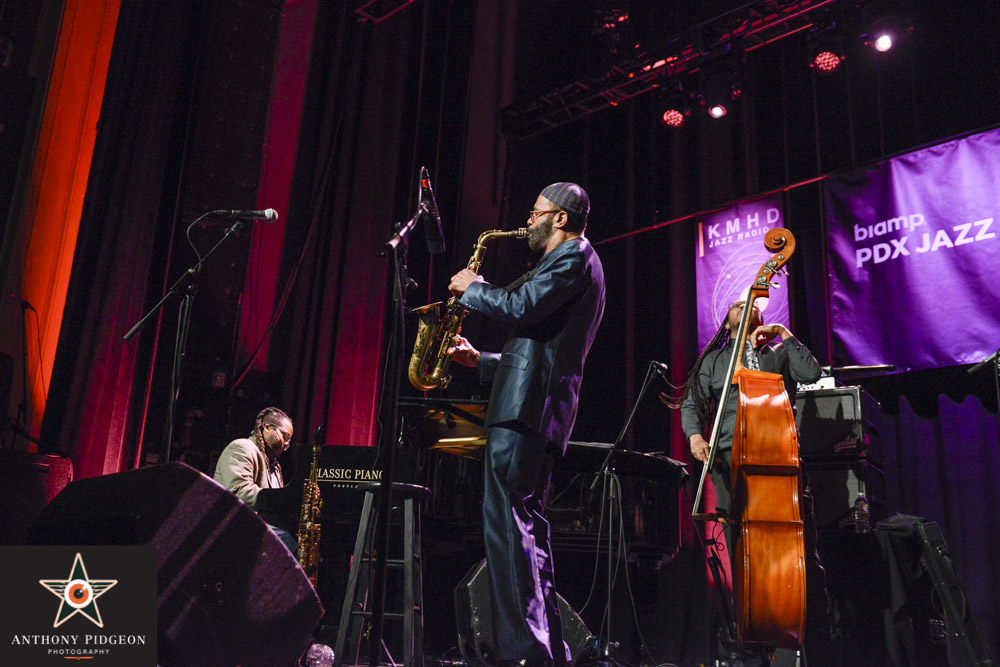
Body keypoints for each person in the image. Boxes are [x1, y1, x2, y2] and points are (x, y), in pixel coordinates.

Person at [448, 182, 605, 667]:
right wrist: (483, 363)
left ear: (560, 218)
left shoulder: (572, 256)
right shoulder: (574, 262)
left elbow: (521, 308)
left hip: (526, 412)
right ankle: (545, 650)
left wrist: (472, 288)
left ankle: (524, 654)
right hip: (534, 406)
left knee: (508, 531)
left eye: (536, 213)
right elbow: (542, 347)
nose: (527, 222)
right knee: (526, 535)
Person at [214, 406, 297, 552]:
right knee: (289, 542)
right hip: (236, 528)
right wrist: (278, 499)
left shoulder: (275, 466)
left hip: (258, 529)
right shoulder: (242, 447)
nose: (286, 444)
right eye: (285, 436)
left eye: (289, 441)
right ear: (267, 428)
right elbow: (239, 492)